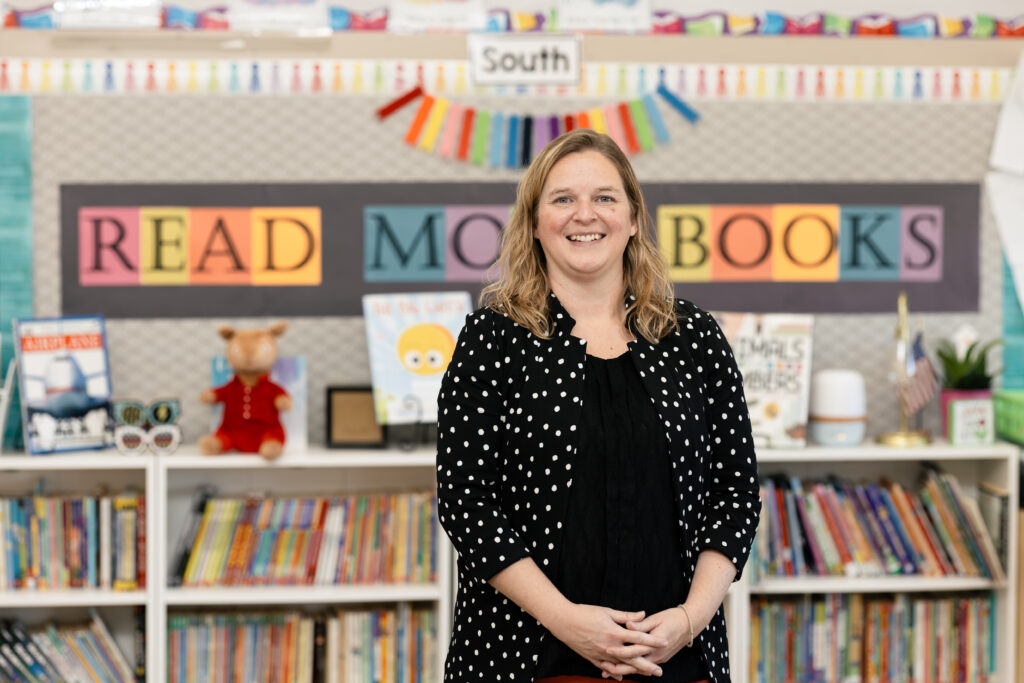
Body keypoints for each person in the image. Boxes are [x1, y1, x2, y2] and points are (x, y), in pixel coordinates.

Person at [436, 129, 761, 683]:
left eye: (605, 198)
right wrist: (567, 621)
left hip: (677, 657)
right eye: (563, 199)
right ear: (535, 223)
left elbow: (735, 491)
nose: (584, 214)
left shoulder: (695, 337)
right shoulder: (492, 338)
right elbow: (466, 501)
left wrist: (690, 620)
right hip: (524, 656)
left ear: (633, 218)